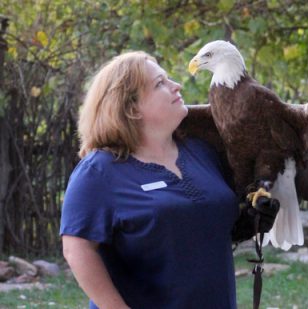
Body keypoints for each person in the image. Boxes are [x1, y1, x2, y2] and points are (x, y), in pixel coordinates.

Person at [60, 51, 278, 309]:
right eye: (160, 83)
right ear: (131, 108)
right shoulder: (99, 171)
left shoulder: (202, 152)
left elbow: (193, 228)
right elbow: (77, 249)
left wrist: (248, 222)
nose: (177, 85)